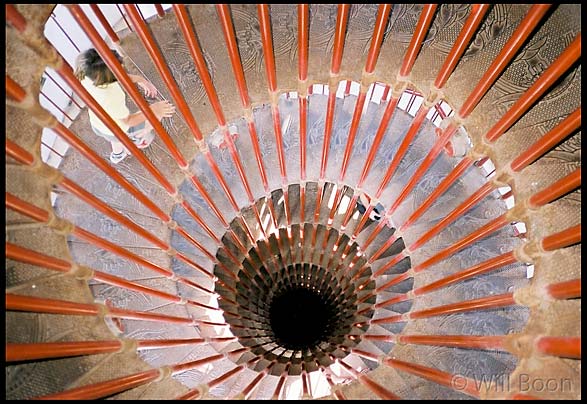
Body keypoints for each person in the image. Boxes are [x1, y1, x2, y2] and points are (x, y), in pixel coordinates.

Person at [74, 48, 175, 164]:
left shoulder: (86, 77)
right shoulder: (111, 97)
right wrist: (154, 109)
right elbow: (128, 121)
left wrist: (140, 80)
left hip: (98, 124)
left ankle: (118, 154)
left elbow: (117, 76)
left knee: (113, 137)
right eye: (119, 67)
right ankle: (137, 138)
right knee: (157, 115)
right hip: (119, 127)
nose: (122, 67)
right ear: (109, 77)